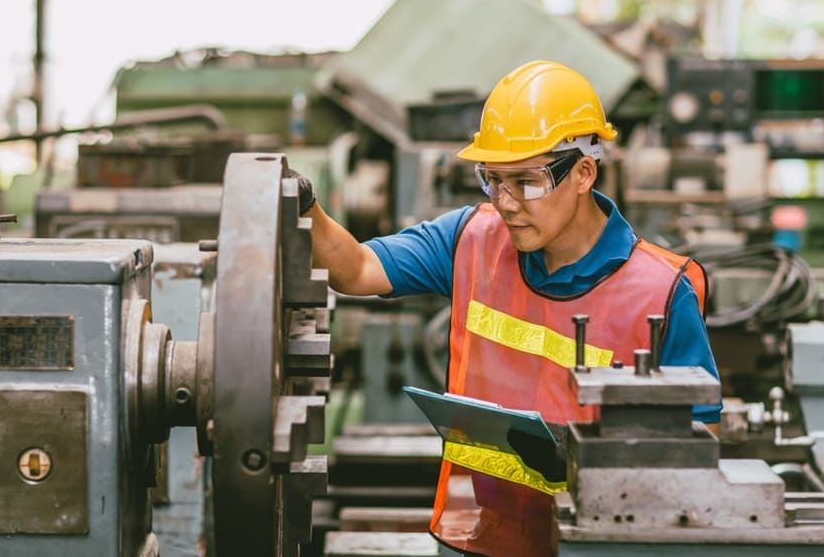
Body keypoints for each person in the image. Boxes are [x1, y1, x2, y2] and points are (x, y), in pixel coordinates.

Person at [293, 60, 721, 557]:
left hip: (599, 544)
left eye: (528, 182)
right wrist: (304, 204)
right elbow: (359, 268)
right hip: (479, 539)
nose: (507, 203)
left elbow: (699, 444)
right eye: (493, 180)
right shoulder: (471, 239)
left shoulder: (662, 291)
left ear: (584, 172)